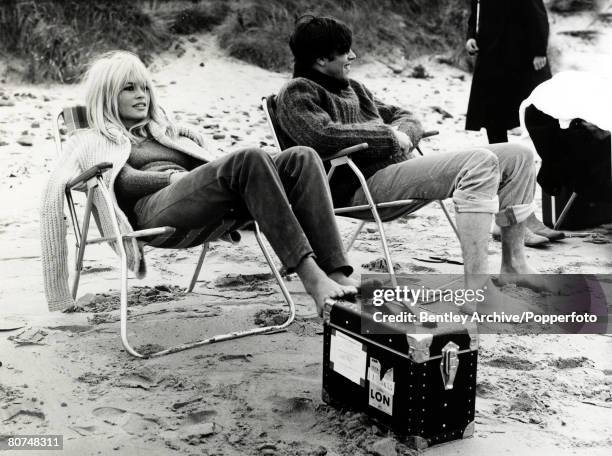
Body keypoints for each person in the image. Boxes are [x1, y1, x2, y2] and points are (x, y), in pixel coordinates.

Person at [40, 50, 357, 315]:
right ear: (107, 96)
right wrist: (174, 176)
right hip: (151, 212)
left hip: (197, 201)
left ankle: (337, 276)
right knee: (247, 158)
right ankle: (313, 280)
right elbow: (120, 182)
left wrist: (195, 149)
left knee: (302, 156)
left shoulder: (165, 130)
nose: (142, 95)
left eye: (145, 88)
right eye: (129, 88)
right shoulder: (94, 138)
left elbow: (209, 164)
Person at [276, 15, 547, 297]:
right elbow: (322, 135)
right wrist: (390, 137)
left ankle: (514, 263)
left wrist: (402, 135)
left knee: (518, 155)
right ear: (321, 59)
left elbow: (406, 116)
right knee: (480, 163)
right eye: (346, 52)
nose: (353, 56)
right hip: (359, 187)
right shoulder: (297, 93)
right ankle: (477, 289)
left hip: (398, 173)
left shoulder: (353, 88)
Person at [465, 0, 563, 245]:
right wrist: (470, 36)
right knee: (496, 133)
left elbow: (537, 12)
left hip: (522, 57)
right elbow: (476, 6)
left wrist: (540, 49)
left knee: (540, 123)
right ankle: (509, 219)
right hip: (491, 56)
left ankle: (525, 216)